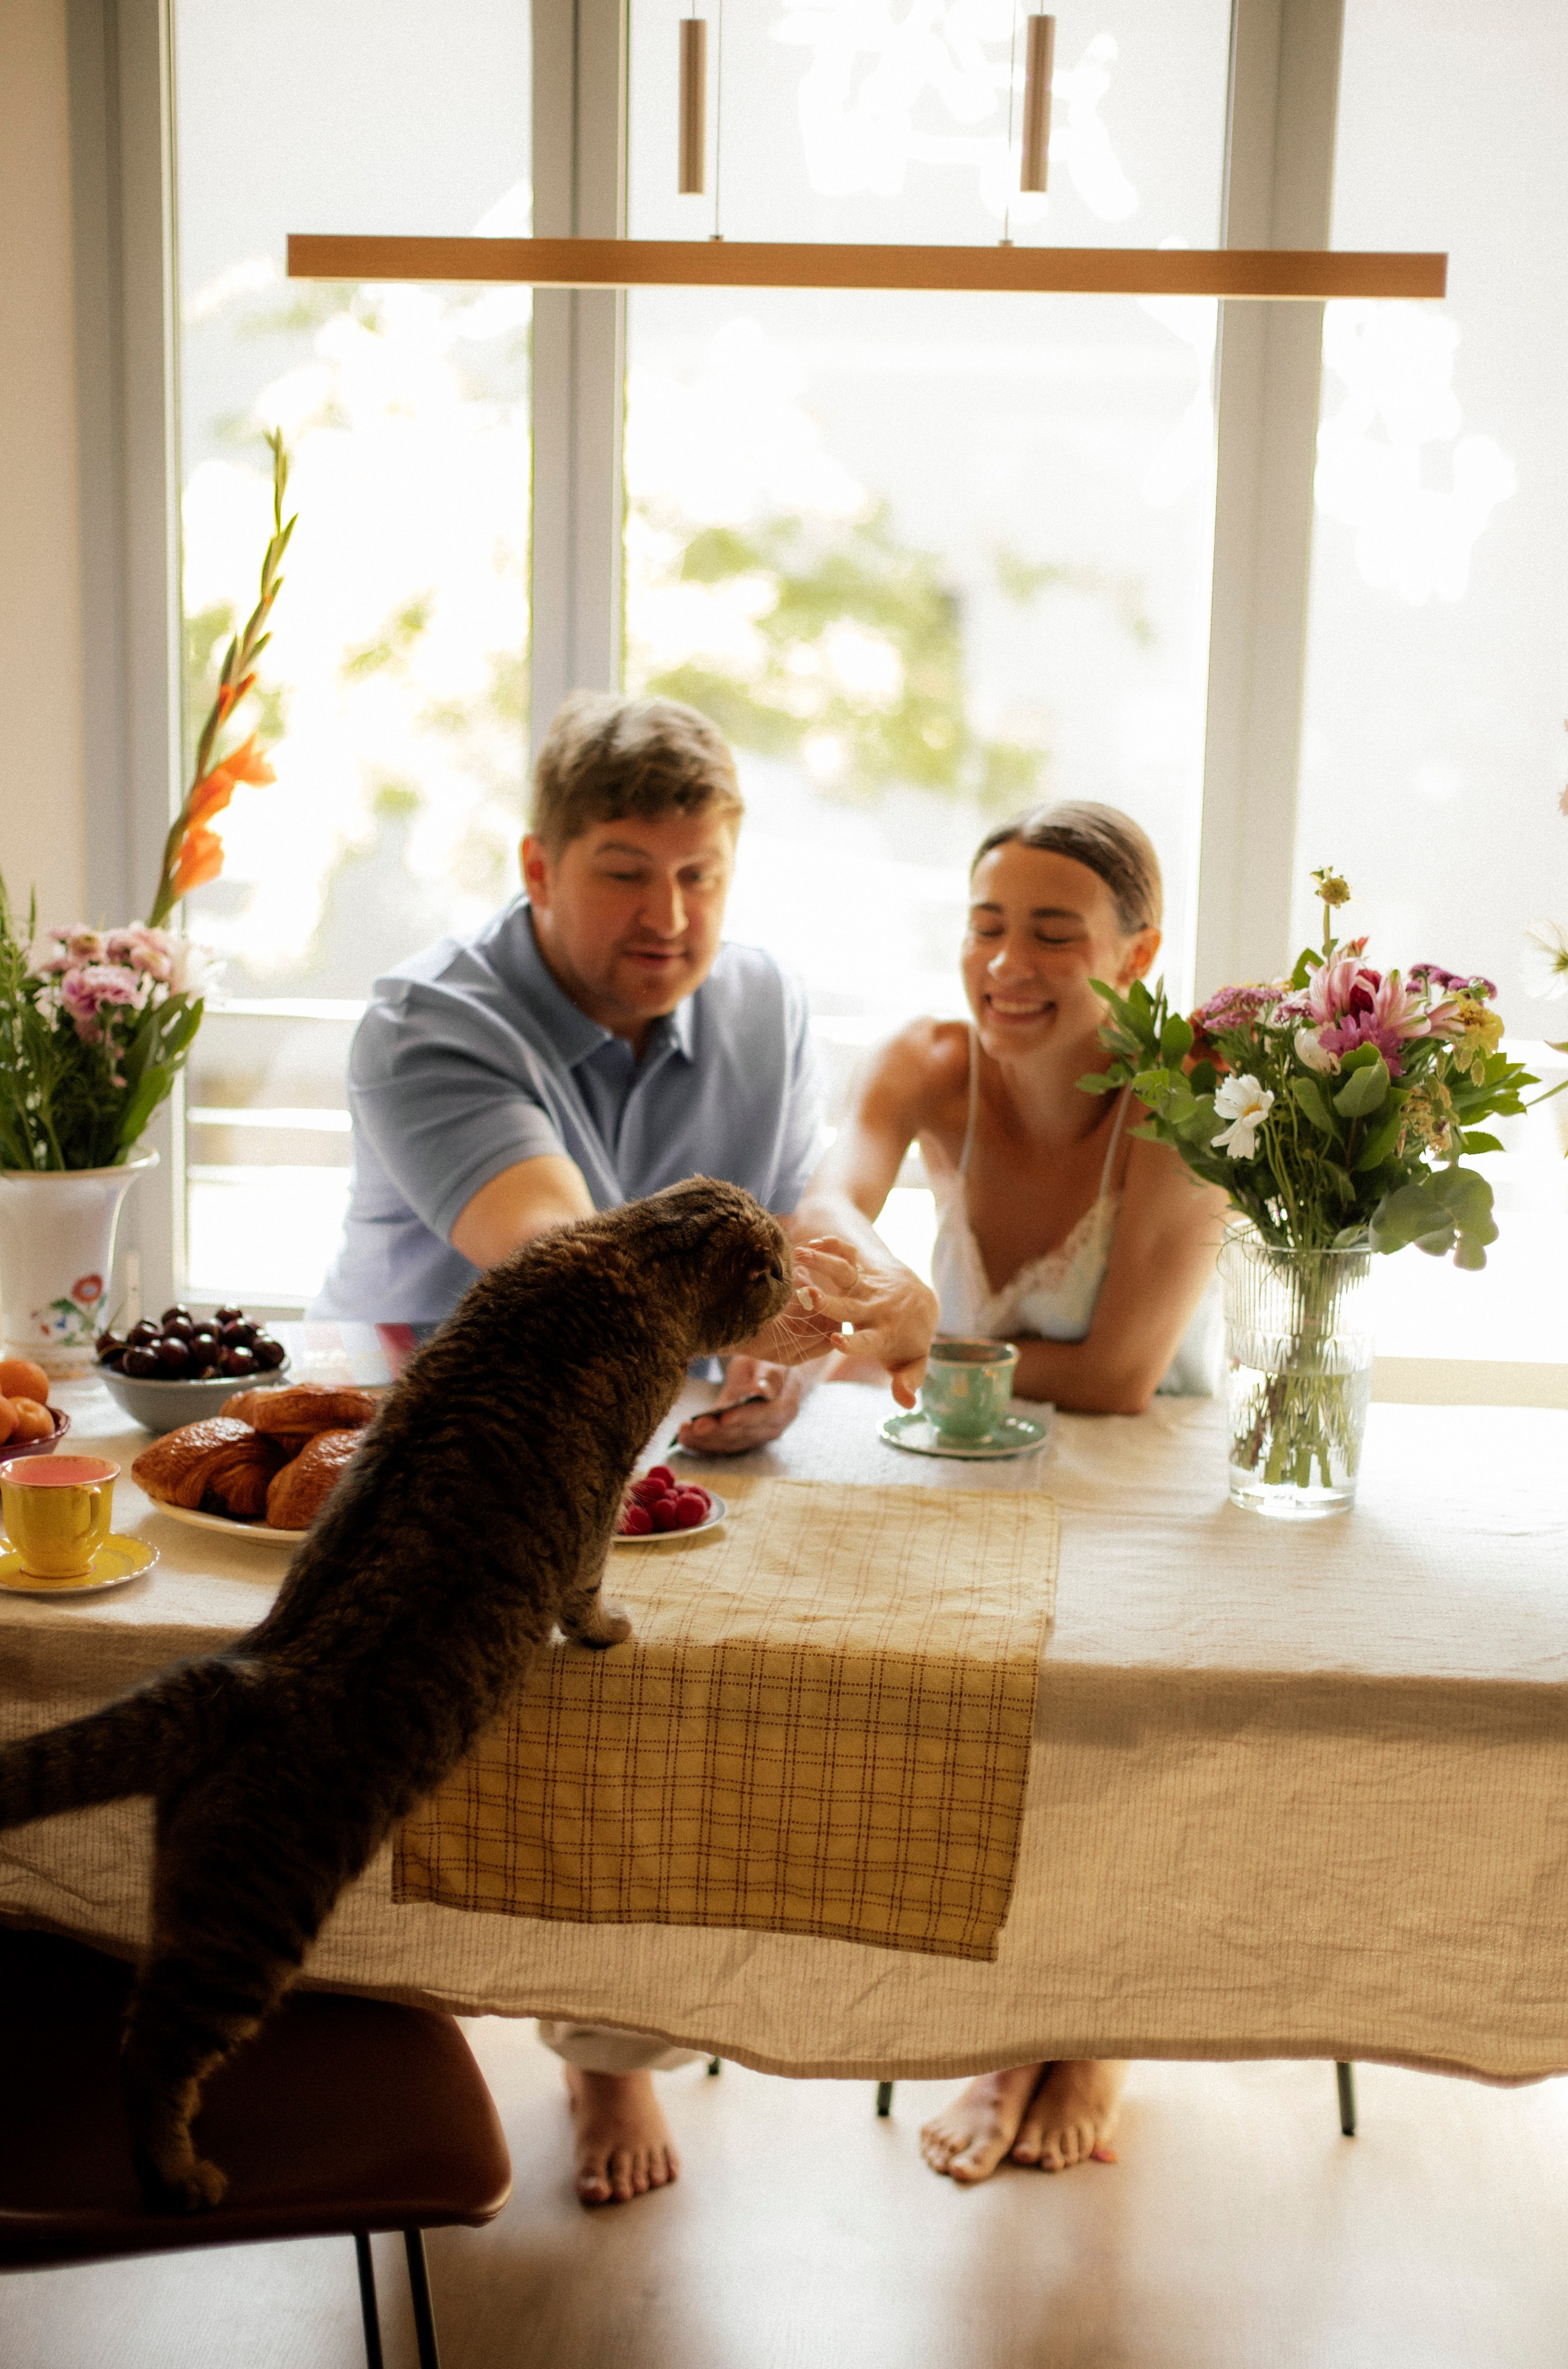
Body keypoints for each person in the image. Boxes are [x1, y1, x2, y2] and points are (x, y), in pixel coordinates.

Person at [311, 690, 936, 2206]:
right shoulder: (427, 1020)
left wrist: (873, 1284)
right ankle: (543, 2043)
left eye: (701, 873)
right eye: (622, 871)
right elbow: (558, 1262)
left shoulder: (766, 999)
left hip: (696, 1423)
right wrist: (760, 1333)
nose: (669, 916)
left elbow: (803, 1200)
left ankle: (634, 2019)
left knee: (794, 1698)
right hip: (430, 1432)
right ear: (535, 867)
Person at [807, 798, 1226, 2182]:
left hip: (1147, 1489)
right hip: (981, 1470)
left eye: (1054, 933)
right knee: (935, 1700)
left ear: (1138, 952)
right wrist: (848, 1275)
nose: (1008, 963)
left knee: (1104, 1710)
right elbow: (826, 1207)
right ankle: (1000, 2016)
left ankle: (1087, 2029)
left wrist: (917, 1333)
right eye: (988, 926)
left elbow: (1113, 1376)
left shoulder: (1181, 1109)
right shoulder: (930, 1065)